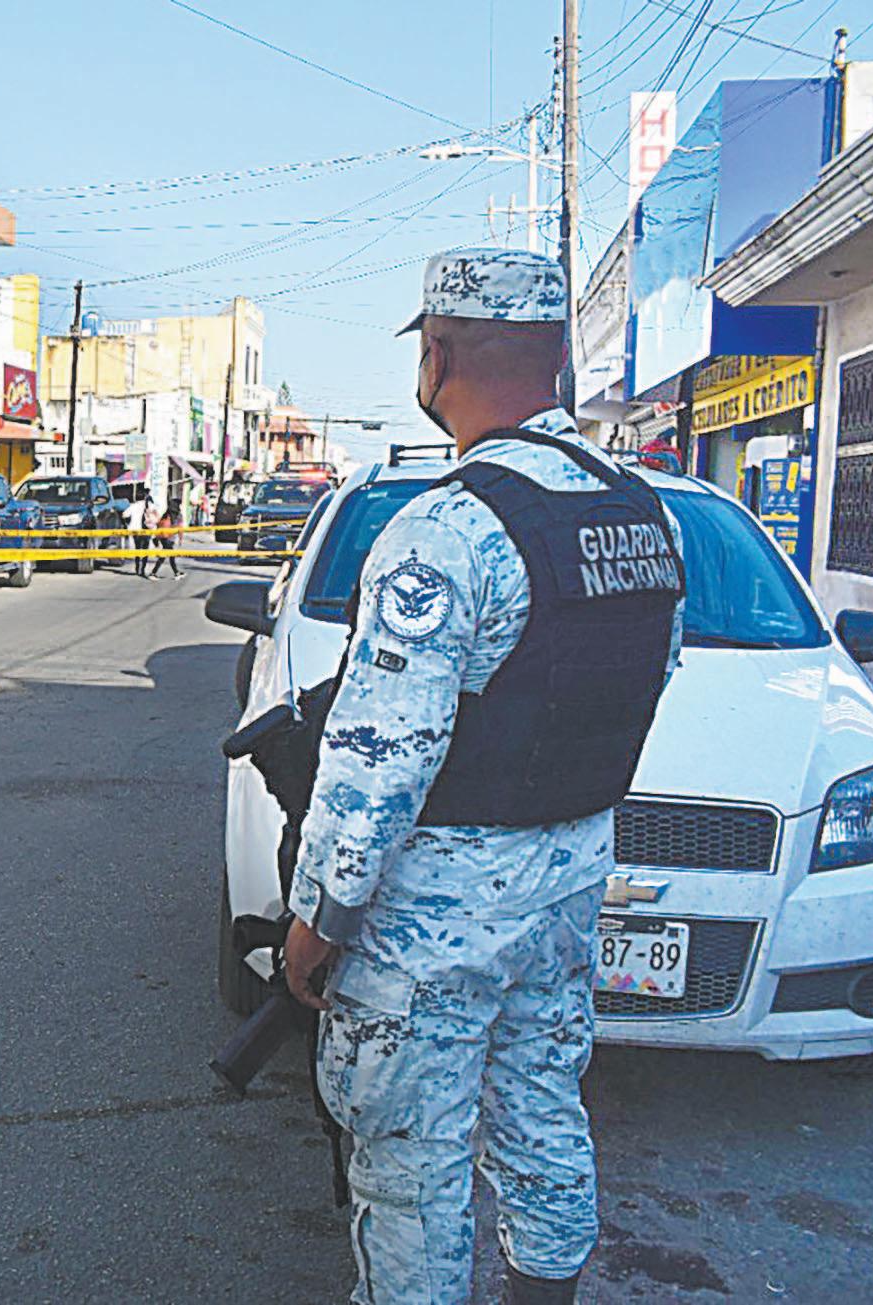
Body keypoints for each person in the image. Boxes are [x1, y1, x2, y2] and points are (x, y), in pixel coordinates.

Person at [280, 248, 685, 1305]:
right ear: (555, 359)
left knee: (410, 1166)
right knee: (542, 1114)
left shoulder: (447, 527)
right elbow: (644, 678)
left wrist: (320, 917)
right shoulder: (643, 513)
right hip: (566, 888)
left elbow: (380, 759)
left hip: (435, 918)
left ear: (438, 354)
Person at [148, 499, 183, 579]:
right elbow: (180, 528)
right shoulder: (177, 515)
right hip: (168, 538)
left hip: (163, 537)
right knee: (168, 556)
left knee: (166, 556)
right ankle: (175, 573)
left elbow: (159, 525)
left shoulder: (166, 514)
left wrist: (157, 537)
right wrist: (180, 539)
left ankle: (175, 572)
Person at [125, 488, 152, 577]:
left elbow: (124, 514)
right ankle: (143, 569)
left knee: (137, 549)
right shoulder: (148, 505)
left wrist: (128, 522)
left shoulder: (133, 506)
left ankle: (137, 567)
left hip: (135, 530)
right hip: (146, 530)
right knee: (145, 550)